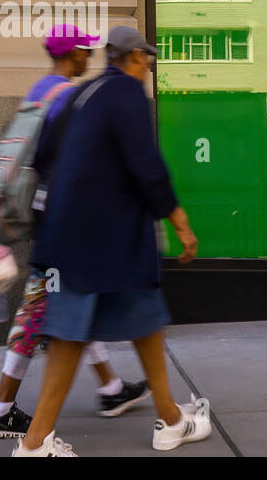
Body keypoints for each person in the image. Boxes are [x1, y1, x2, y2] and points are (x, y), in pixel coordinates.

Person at [14, 25, 205, 456]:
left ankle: (171, 420)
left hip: (72, 237)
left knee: (136, 323)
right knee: (80, 334)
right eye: (147, 60)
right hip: (107, 240)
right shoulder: (126, 94)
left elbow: (44, 156)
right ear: (135, 56)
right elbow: (146, 165)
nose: (148, 68)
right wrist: (180, 221)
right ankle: (32, 446)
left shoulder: (79, 95)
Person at [0, 24, 149, 440]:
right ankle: (0, 409)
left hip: (47, 214)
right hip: (60, 217)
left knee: (75, 298)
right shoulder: (64, 97)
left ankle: (110, 388)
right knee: (38, 309)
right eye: (84, 50)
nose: (89, 56)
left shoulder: (41, 90)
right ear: (71, 53)